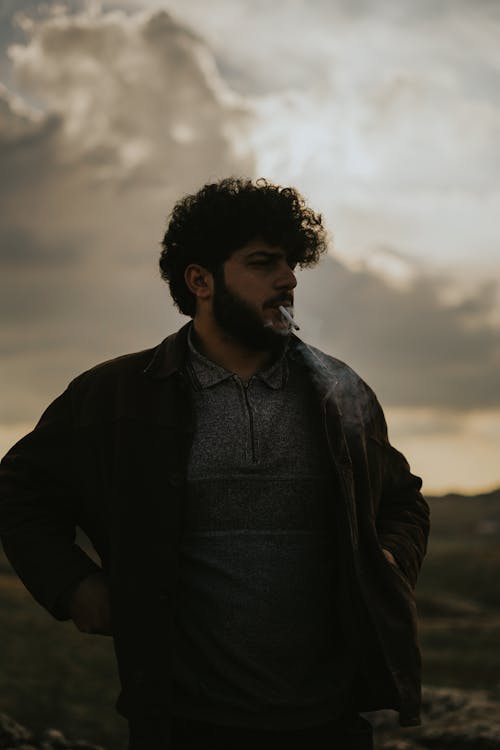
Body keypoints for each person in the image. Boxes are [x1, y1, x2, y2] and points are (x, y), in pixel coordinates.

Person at [0, 178, 429, 750]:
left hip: (330, 724)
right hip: (181, 725)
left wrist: (388, 557)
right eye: (263, 263)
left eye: (291, 263)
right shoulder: (115, 397)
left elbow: (403, 499)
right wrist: (73, 584)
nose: (288, 279)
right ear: (199, 280)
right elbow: (17, 492)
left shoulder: (339, 392)